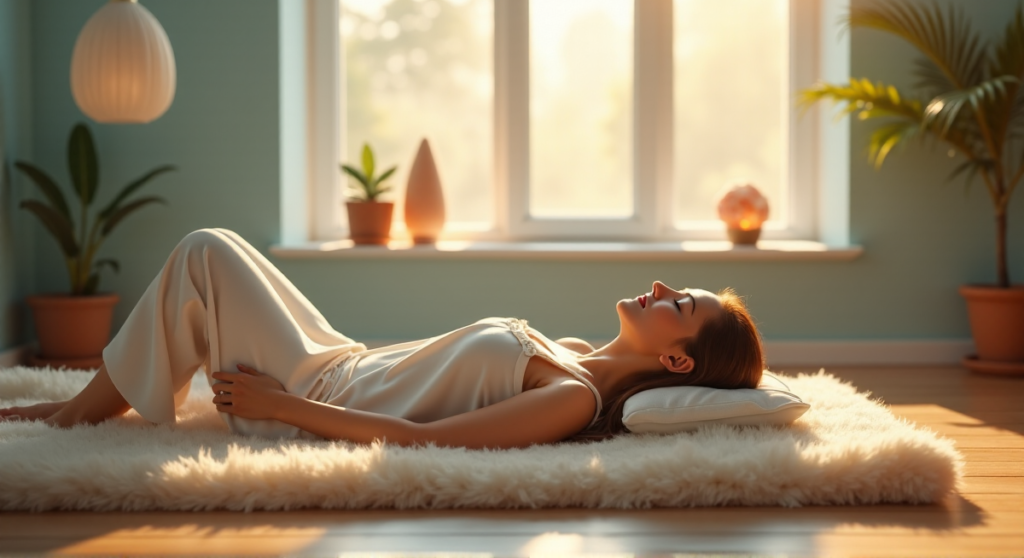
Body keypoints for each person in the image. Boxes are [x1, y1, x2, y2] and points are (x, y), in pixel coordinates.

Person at [0, 228, 764, 448]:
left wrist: (284, 406)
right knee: (215, 252)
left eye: (681, 303)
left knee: (204, 249)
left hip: (313, 394)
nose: (662, 288)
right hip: (342, 358)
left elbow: (409, 439)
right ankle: (90, 404)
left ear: (675, 359)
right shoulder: (569, 348)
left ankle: (72, 418)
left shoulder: (569, 397)